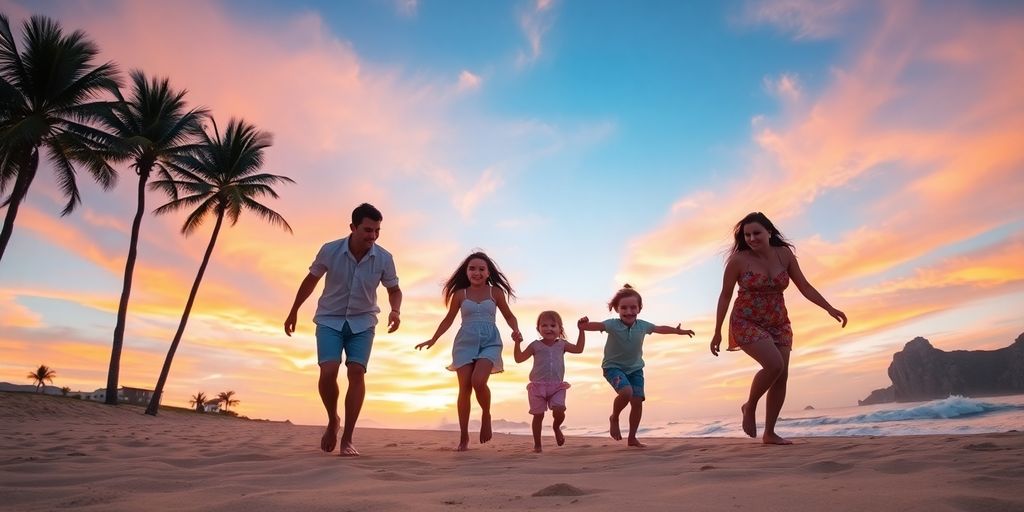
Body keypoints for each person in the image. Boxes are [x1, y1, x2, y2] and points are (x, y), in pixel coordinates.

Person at [710, 212, 847, 445]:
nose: (751, 238)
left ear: (769, 232)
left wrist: (829, 308)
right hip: (746, 320)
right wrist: (717, 331)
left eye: (756, 233)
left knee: (781, 376)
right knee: (774, 365)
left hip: (779, 321)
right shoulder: (738, 261)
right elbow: (725, 296)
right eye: (747, 235)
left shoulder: (784, 255)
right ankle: (750, 405)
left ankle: (770, 433)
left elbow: (804, 286)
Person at [284, 203, 402, 457]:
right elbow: (311, 280)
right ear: (353, 227)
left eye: (377, 231)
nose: (372, 236)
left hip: (363, 322)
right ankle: (332, 420)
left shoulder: (384, 258)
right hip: (329, 319)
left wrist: (395, 310)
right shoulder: (330, 250)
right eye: (367, 230)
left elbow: (394, 290)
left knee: (357, 372)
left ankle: (347, 438)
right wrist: (293, 310)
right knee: (328, 371)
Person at [416, 251, 523, 451]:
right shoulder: (460, 294)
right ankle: (464, 436)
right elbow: (448, 319)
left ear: (488, 272)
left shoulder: (495, 293)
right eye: (472, 268)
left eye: (481, 269)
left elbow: (509, 316)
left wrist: (516, 331)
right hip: (465, 343)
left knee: (478, 381)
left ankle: (486, 414)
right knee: (464, 388)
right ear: (466, 272)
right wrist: (434, 338)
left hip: (490, 342)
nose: (477, 272)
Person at [578, 285, 694, 447]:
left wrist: (677, 331)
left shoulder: (643, 326)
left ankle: (632, 438)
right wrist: (583, 324)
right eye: (623, 308)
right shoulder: (612, 325)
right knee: (626, 392)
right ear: (617, 309)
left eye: (633, 307)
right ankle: (615, 417)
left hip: (636, 369)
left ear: (639, 308)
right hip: (613, 367)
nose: (629, 311)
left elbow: (660, 328)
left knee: (637, 401)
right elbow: (594, 326)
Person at [513, 311, 586, 453]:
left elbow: (579, 349)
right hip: (537, 387)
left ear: (560, 329)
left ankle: (556, 427)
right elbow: (519, 358)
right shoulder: (535, 345)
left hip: (557, 386)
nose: (549, 328)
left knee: (559, 410)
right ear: (538, 329)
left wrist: (581, 331)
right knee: (538, 416)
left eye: (553, 325)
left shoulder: (562, 345)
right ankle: (537, 445)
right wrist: (517, 343)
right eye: (544, 325)